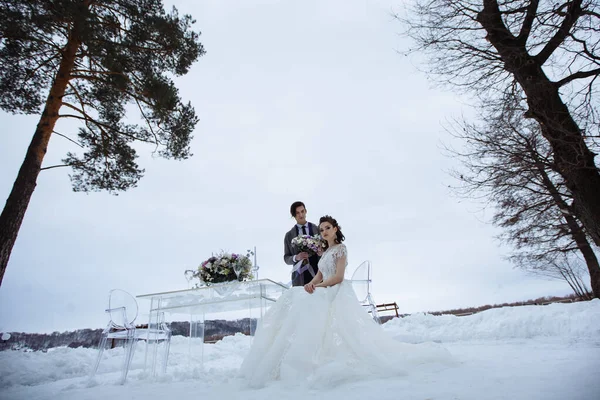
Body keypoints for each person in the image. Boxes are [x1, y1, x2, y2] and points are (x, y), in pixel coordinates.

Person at [240, 215, 453, 388]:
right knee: (292, 295)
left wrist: (318, 287)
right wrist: (309, 285)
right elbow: (319, 275)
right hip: (323, 287)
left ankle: (302, 359)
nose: (323, 231)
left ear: (335, 229)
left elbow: (338, 277)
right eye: (321, 229)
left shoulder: (341, 249)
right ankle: (278, 356)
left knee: (306, 302)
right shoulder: (323, 252)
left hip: (336, 290)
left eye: (327, 228)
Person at [283, 201, 320, 286]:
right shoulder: (289, 235)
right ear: (293, 215)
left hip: (318, 274)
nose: (301, 215)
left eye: (302, 211)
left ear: (306, 211)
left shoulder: (317, 229)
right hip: (299, 277)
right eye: (297, 213)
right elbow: (286, 258)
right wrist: (296, 257)